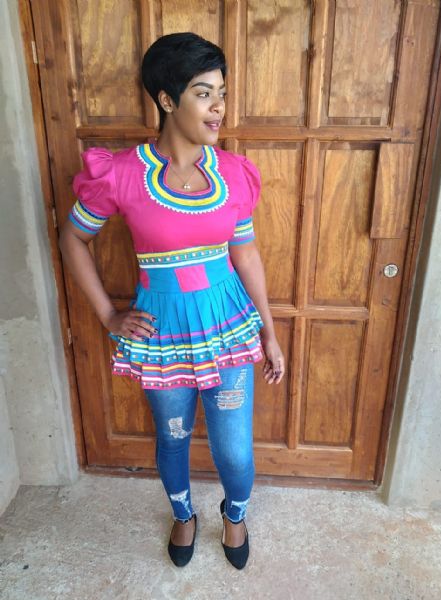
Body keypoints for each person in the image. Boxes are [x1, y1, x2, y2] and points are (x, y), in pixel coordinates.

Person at [59, 32, 285, 570]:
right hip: (161, 333)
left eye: (221, 93)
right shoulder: (121, 174)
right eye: (203, 94)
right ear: (166, 99)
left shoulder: (233, 174)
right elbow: (72, 238)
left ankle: (235, 516)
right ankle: (183, 514)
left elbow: (246, 254)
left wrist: (271, 332)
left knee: (234, 450)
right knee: (173, 436)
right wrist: (109, 315)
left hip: (228, 328)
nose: (218, 107)